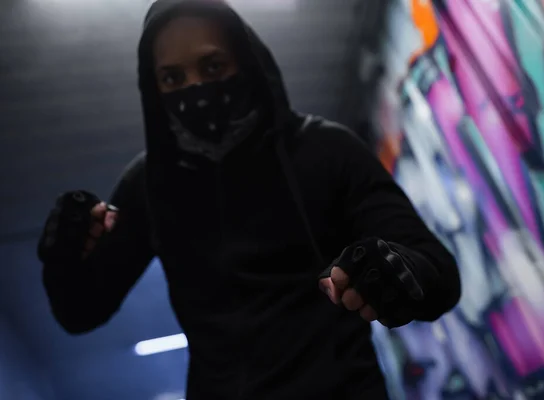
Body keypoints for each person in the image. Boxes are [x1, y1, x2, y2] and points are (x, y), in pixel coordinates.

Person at [37, 0, 461, 399]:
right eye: (172, 78)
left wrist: (396, 272)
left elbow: (438, 272)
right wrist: (64, 255)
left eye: (213, 66)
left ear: (247, 62)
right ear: (154, 89)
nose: (196, 89)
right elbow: (79, 312)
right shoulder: (152, 184)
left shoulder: (325, 151)